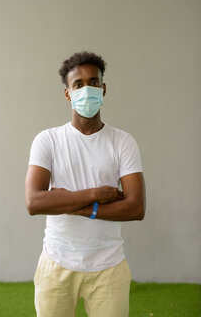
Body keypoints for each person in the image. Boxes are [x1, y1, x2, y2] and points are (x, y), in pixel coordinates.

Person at [25, 51, 146, 317]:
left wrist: (74, 206)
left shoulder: (122, 142)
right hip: (56, 264)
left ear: (103, 89)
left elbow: (136, 208)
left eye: (93, 82)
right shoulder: (48, 140)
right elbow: (34, 202)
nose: (87, 89)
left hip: (109, 267)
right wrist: (94, 194)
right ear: (68, 93)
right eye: (78, 84)